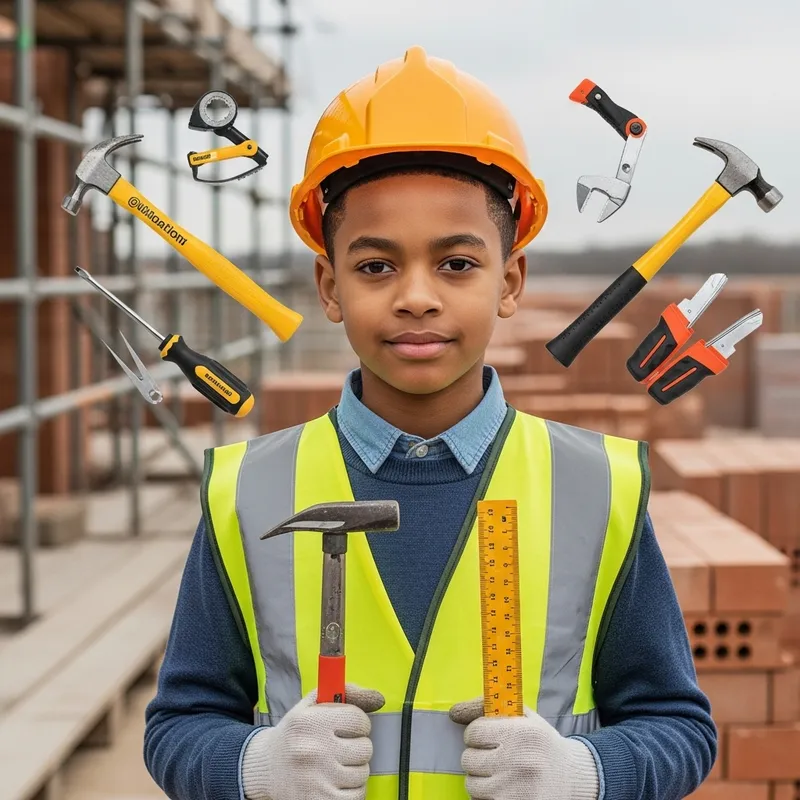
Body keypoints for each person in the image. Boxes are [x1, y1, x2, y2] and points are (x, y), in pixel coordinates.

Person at [144, 45, 717, 800]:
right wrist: (252, 768)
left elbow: (679, 725)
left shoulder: (594, 487)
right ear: (330, 286)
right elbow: (178, 724)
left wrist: (585, 774)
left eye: (456, 264)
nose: (417, 297)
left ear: (509, 280)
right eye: (377, 266)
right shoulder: (248, 489)